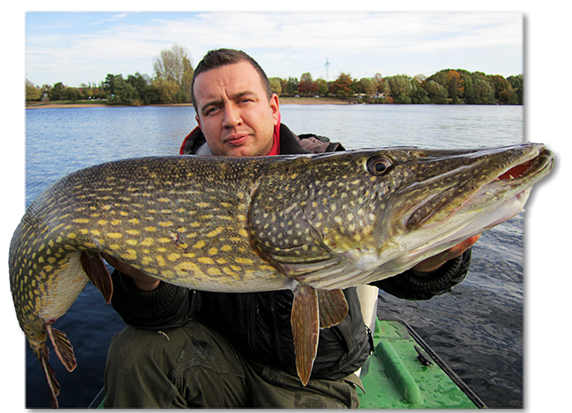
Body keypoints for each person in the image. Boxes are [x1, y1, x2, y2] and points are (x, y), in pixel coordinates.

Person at [102, 48, 479, 408]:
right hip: (219, 364)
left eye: (244, 100)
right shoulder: (174, 191)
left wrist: (433, 261)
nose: (231, 119)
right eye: (214, 108)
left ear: (273, 107)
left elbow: (396, 272)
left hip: (317, 379)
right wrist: (145, 282)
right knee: (135, 351)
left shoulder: (329, 167)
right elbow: (167, 316)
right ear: (200, 122)